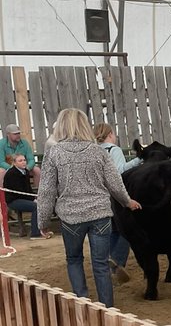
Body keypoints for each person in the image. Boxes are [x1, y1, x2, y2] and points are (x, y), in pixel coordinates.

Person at [36, 108, 141, 308]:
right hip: (100, 214)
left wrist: (43, 221)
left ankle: (82, 303)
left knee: (74, 259)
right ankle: (107, 309)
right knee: (101, 264)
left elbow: (47, 190)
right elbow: (115, 183)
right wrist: (127, 202)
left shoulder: (54, 153)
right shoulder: (98, 151)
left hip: (71, 217)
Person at [93, 122, 141, 283]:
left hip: (99, 195)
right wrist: (138, 160)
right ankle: (118, 261)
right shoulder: (114, 150)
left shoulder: (93, 150)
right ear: (110, 134)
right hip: (114, 194)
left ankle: (109, 260)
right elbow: (120, 171)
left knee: (113, 230)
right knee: (127, 231)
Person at [2, 152, 52, 239]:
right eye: (20, 161)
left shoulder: (25, 171)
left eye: (24, 160)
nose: (23, 162)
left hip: (22, 198)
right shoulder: (11, 173)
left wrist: (34, 197)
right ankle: (35, 234)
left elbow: (27, 189)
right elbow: (18, 192)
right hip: (13, 200)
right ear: (14, 163)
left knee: (43, 204)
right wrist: (33, 199)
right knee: (36, 207)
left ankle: (42, 229)